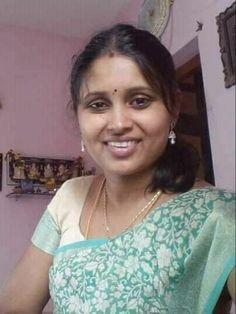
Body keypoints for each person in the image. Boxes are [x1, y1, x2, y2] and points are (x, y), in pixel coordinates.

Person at [0, 24, 235, 314]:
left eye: (139, 100)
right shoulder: (70, 197)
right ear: (78, 115)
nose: (119, 123)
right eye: (98, 105)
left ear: (173, 107)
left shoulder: (219, 216)